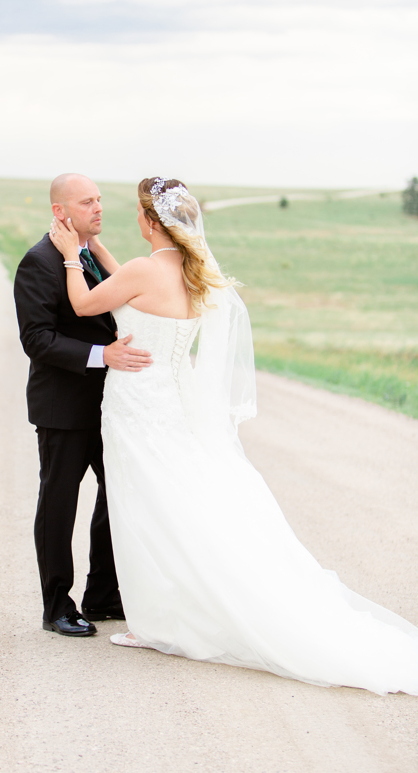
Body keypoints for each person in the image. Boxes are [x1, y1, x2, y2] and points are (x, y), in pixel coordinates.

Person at [49, 175, 418, 694]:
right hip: (170, 403)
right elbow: (126, 283)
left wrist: (71, 255)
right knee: (168, 501)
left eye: (137, 213)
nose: (132, 218)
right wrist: (93, 245)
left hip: (137, 402)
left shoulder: (140, 271)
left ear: (151, 222)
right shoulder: (193, 273)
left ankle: (156, 622)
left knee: (142, 504)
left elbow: (88, 304)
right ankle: (162, 611)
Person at [14, 174, 153, 637]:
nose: (98, 208)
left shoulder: (92, 256)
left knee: (118, 495)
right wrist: (102, 356)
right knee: (60, 502)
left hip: (113, 405)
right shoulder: (39, 262)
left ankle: (102, 595)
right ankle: (56, 605)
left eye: (99, 200)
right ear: (60, 212)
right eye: (86, 202)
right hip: (64, 407)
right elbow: (37, 340)